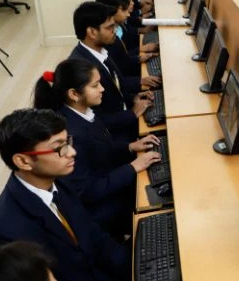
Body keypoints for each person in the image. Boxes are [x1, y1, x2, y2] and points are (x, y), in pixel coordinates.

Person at [0, 109, 183, 281]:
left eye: (68, 141)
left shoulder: (57, 181)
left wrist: (145, 267)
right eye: (59, 148)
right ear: (23, 161)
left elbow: (95, 237)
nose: (72, 152)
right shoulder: (1, 232)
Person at [33, 59, 161, 237]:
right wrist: (132, 167)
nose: (102, 89)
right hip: (99, 208)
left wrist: (130, 146)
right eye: (95, 86)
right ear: (74, 94)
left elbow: (101, 146)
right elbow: (86, 191)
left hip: (107, 179)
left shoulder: (83, 112)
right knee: (154, 199)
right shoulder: (71, 136)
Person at [68, 1, 154, 142]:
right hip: (115, 136)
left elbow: (116, 86)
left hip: (123, 115)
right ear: (92, 32)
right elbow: (96, 120)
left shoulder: (101, 51)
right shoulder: (82, 69)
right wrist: (132, 113)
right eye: (110, 27)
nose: (115, 30)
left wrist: (133, 97)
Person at [95, 0, 158, 78]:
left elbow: (124, 58)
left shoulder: (117, 27)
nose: (128, 14)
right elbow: (120, 68)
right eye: (123, 10)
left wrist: (140, 57)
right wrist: (140, 81)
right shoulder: (107, 37)